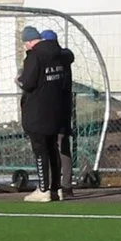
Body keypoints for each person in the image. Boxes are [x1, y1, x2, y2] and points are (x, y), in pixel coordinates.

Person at [16, 25, 76, 202]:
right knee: (53, 149)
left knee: (40, 151)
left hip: (38, 112)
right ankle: (56, 188)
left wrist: (19, 80)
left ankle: (43, 189)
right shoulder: (60, 55)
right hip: (56, 110)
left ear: (29, 42)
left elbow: (28, 83)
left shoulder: (34, 56)